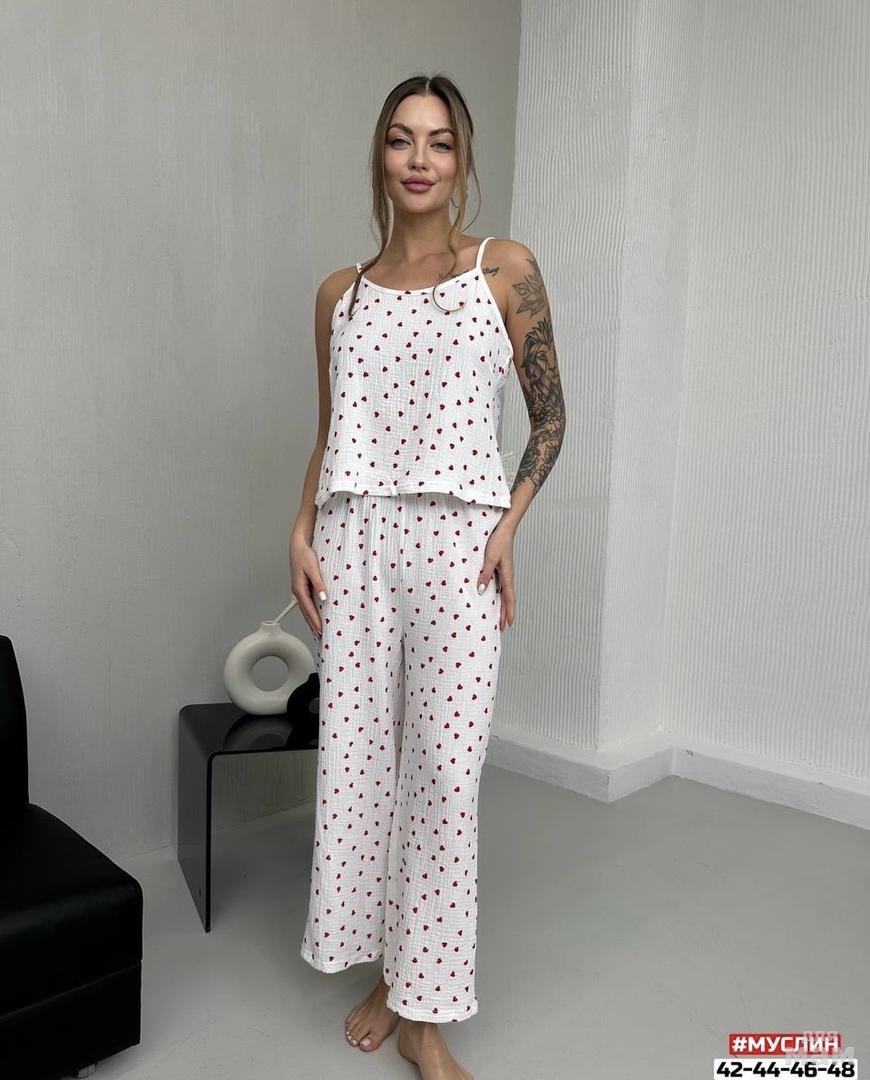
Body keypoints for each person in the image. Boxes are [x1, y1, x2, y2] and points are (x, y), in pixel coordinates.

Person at [289, 72, 566, 1080]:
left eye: (439, 142)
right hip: (353, 542)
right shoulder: (342, 294)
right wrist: (299, 528)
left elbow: (551, 418)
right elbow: (332, 432)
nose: (419, 159)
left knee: (444, 776)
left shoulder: (503, 268)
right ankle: (391, 976)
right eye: (402, 139)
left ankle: (425, 1013)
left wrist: (508, 526)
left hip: (458, 545)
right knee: (361, 768)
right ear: (380, 154)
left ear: (462, 158)